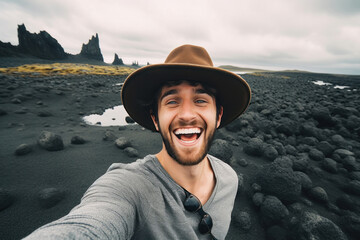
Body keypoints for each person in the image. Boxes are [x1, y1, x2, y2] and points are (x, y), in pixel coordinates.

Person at [24, 44, 251, 240]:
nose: (187, 114)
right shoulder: (129, 188)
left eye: (201, 100)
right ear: (155, 118)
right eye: (172, 101)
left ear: (218, 115)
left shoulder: (229, 178)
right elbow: (93, 221)